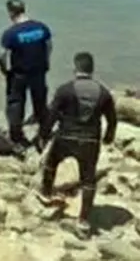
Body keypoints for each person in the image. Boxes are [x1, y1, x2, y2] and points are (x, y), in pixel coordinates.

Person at [38, 52, 117, 237]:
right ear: (92, 69)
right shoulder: (103, 92)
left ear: (75, 68)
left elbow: (52, 115)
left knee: (51, 163)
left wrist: (43, 135)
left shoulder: (65, 90)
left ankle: (46, 194)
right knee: (88, 179)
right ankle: (83, 220)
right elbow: (112, 119)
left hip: (66, 137)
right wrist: (108, 137)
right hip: (90, 141)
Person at [0, 0, 53, 148]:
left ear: (11, 13)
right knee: (40, 102)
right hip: (39, 71)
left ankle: (17, 139)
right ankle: (44, 133)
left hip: (19, 74)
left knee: (16, 104)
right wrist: (46, 61)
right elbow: (49, 46)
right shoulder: (41, 27)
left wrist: (5, 70)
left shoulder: (10, 33)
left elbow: (2, 55)